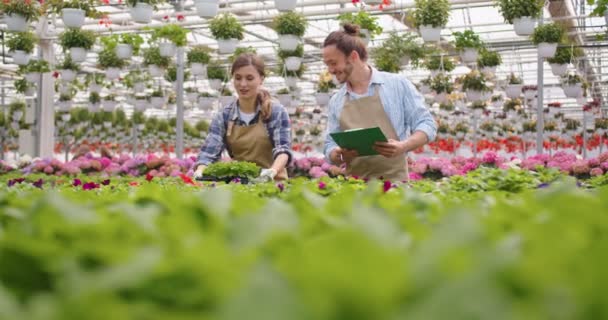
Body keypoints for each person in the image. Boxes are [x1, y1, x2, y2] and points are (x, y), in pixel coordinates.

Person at [323, 23, 437, 181]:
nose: (330, 70)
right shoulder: (336, 100)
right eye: (327, 64)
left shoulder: (396, 85)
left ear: (353, 57)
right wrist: (339, 155)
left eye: (333, 63)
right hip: (354, 189)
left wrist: (403, 146)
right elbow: (329, 144)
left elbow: (426, 124)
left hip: (395, 186)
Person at [193, 53, 292, 181]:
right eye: (238, 78)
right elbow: (209, 152)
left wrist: (272, 171)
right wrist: (200, 170)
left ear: (261, 79)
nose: (243, 84)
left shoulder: (275, 112)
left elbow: (283, 149)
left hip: (274, 183)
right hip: (241, 184)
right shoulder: (224, 116)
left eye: (249, 78)